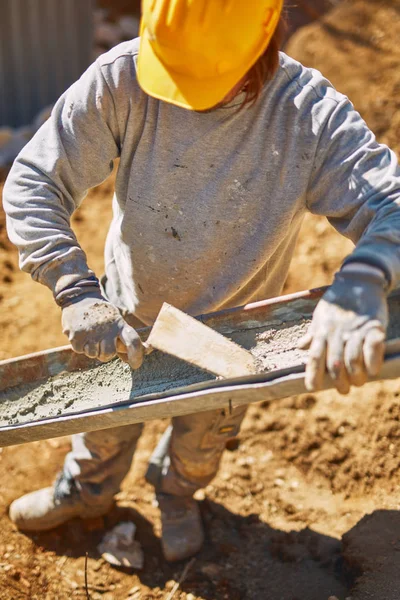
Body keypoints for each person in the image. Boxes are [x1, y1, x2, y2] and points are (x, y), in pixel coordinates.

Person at [3, 0, 400, 562]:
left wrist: (364, 278)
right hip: (127, 315)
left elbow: (392, 205)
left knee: (202, 442)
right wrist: (74, 289)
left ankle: (178, 495)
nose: (187, 100)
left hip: (236, 338)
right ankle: (88, 491)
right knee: (102, 426)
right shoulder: (124, 78)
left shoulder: (307, 114)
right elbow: (35, 182)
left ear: (265, 34)